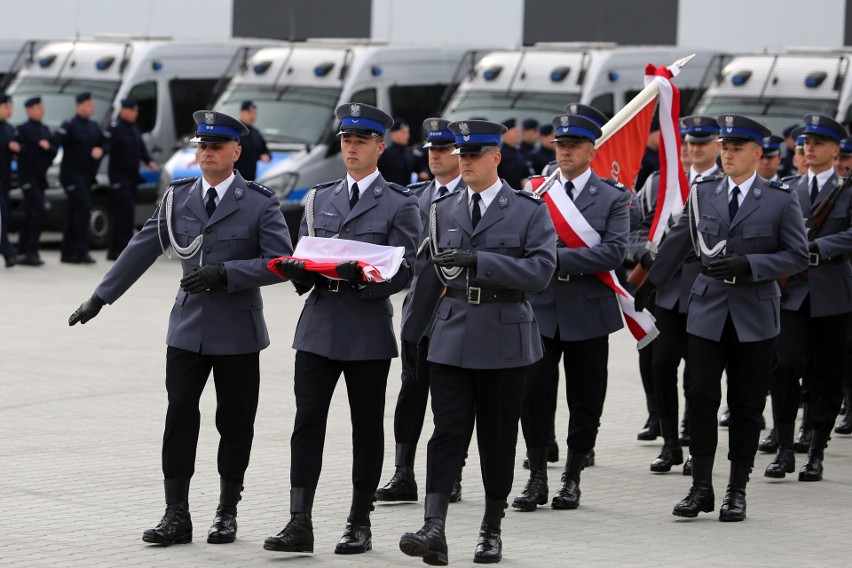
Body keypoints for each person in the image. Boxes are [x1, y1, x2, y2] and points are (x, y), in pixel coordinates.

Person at [68, 110, 293, 546]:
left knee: (235, 422)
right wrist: (100, 297)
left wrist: (225, 273)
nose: (206, 152)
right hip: (188, 329)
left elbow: (281, 263)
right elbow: (141, 247)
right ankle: (177, 514)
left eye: (215, 146)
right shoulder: (178, 198)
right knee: (179, 419)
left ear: (236, 151)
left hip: (238, 332)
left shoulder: (259, 202)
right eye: (201, 146)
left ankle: (227, 512)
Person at [635, 114, 809, 521]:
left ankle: (736, 489)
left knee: (746, 404)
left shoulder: (781, 198)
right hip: (708, 312)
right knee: (700, 398)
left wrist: (750, 264)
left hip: (754, 316)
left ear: (757, 153)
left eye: (735, 149)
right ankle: (701, 488)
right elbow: (677, 242)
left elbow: (798, 256)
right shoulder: (703, 192)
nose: (727, 155)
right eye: (724, 148)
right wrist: (645, 289)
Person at [264, 102, 420, 556]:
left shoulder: (398, 202)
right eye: (346, 140)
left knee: (365, 428)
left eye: (360, 140)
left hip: (366, 328)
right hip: (318, 326)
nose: (351, 148)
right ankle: (299, 522)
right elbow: (308, 251)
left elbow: (408, 267)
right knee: (306, 424)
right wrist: (302, 274)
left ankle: (359, 521)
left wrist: (369, 280)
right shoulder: (318, 198)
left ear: (380, 146)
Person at [398, 119, 556, 565]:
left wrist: (481, 260)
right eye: (460, 155)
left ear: (495, 158)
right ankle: (435, 527)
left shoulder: (528, 209)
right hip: (450, 334)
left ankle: (491, 528)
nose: (464, 162)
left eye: (473, 155)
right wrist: (412, 335)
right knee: (447, 431)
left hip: (505, 337)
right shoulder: (442, 209)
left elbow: (541, 272)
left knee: (497, 436)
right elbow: (429, 275)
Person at [512, 112, 629, 515]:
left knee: (585, 397)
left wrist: (554, 259)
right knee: (534, 395)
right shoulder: (535, 191)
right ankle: (537, 477)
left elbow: (614, 252)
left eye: (574, 146)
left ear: (591, 151)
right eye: (560, 145)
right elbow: (519, 242)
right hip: (540, 309)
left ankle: (573, 476)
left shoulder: (614, 197)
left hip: (588, 310)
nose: (565, 152)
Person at [375, 117, 468, 504]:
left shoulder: (473, 198)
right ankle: (403, 473)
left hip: (458, 313)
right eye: (431, 149)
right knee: (411, 393)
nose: (435, 155)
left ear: (460, 155)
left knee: (452, 400)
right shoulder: (413, 196)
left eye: (443, 149)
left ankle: (452, 474)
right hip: (419, 314)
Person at [763, 114, 852, 483]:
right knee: (785, 365)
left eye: (817, 143)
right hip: (791, 293)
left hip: (833, 294)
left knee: (828, 375)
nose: (808, 149)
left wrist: (816, 246)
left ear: (835, 150)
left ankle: (816, 450)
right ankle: (784, 446)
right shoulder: (786, 189)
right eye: (804, 143)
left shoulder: (847, 190)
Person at [642, 115, 721, 475]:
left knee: (698, 373)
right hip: (669, 290)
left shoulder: (723, 184)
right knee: (662, 364)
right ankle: (670, 442)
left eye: (701, 143)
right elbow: (641, 224)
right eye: (689, 143)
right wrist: (645, 254)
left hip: (704, 290)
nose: (694, 149)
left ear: (717, 147)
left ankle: (692, 438)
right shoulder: (665, 183)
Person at [56, 92, 109, 264]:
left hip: (86, 177)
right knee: (83, 208)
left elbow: (105, 142)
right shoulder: (70, 125)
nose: (91, 108)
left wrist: (101, 150)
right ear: (80, 105)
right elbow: (54, 142)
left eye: (92, 105)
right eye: (89, 105)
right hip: (71, 175)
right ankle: (80, 251)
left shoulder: (93, 126)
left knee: (75, 212)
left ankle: (67, 252)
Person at [106, 97, 158, 260]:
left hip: (131, 177)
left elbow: (141, 149)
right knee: (121, 212)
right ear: (124, 111)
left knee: (128, 213)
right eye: (133, 110)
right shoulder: (115, 128)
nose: (135, 114)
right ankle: (116, 249)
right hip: (119, 177)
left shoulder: (134, 128)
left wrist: (149, 161)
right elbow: (105, 145)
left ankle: (123, 249)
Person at [15, 96, 57, 266]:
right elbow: (19, 148)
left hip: (40, 178)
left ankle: (24, 249)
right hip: (27, 177)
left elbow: (54, 150)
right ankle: (30, 251)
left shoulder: (45, 130)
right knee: (37, 211)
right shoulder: (22, 130)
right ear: (29, 110)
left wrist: (47, 147)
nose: (42, 111)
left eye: (42, 107)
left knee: (31, 214)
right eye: (38, 108)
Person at [0, 93, 20, 267]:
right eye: (7, 107)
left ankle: (8, 251)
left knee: (4, 216)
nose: (10, 110)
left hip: (5, 181)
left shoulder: (8, 128)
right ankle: (8, 252)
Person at [234, 100, 270, 181]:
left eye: (254, 114)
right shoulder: (234, 132)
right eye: (249, 113)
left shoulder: (255, 133)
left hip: (252, 179)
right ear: (241, 113)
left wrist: (265, 155)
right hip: (234, 178)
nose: (252, 116)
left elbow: (265, 150)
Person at [378, 117, 418, 185]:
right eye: (403, 132)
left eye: (408, 132)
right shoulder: (385, 154)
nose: (407, 135)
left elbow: (419, 166)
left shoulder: (410, 153)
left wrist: (423, 172)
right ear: (393, 134)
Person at [496, 118, 533, 190]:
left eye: (519, 132)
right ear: (505, 134)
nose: (519, 135)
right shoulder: (501, 154)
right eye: (515, 132)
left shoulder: (521, 151)